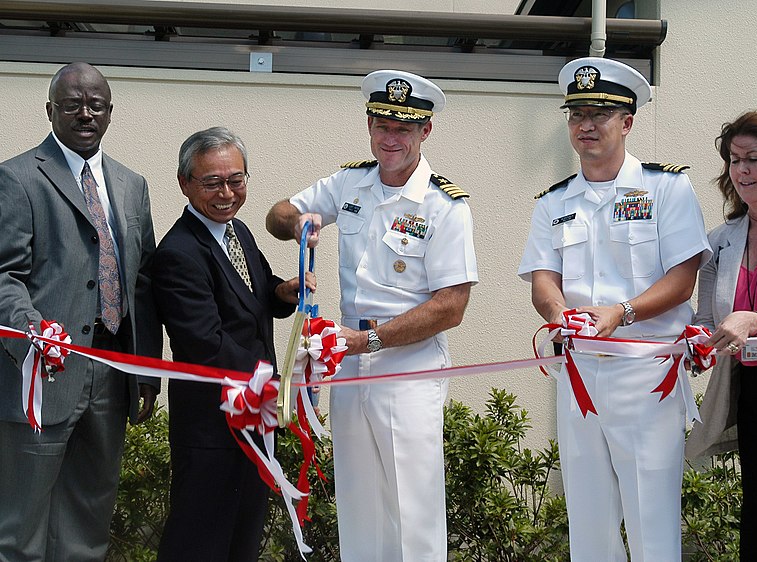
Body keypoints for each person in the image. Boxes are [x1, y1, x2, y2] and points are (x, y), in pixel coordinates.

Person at [266, 69, 478, 561]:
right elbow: (276, 214)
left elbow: (452, 306)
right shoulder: (350, 183)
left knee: (412, 508)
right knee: (359, 505)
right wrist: (299, 221)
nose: (390, 139)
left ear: (426, 131)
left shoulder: (445, 206)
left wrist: (367, 342)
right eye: (382, 125)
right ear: (368, 124)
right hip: (346, 364)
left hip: (407, 367)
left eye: (403, 128)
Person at [517, 57, 711, 562]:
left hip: (645, 374)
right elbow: (543, 280)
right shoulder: (552, 201)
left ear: (627, 122)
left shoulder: (667, 188)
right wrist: (559, 313)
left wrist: (620, 312)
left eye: (600, 112)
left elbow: (682, 277)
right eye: (577, 112)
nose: (586, 124)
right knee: (588, 521)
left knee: (652, 517)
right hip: (578, 375)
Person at [0, 62, 161, 561]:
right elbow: (5, 275)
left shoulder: (132, 185)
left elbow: (144, 283)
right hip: (41, 374)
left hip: (111, 375)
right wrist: (34, 334)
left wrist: (147, 371)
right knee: (21, 524)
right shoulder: (17, 178)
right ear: (50, 110)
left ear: (111, 113)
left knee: (88, 520)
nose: (85, 114)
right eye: (72, 104)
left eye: (95, 104)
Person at [152, 127, 305, 562]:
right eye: (212, 182)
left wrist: (283, 292)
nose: (226, 193)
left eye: (236, 180)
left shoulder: (237, 230)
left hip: (253, 416)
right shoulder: (179, 253)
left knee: (242, 539)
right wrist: (279, 381)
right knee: (199, 542)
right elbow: (205, 343)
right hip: (211, 426)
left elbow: (254, 294)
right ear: (185, 184)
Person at [685, 110, 757, 560]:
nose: (742, 171)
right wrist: (695, 341)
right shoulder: (720, 239)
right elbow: (708, 319)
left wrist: (756, 320)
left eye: (754, 158)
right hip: (751, 390)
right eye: (734, 161)